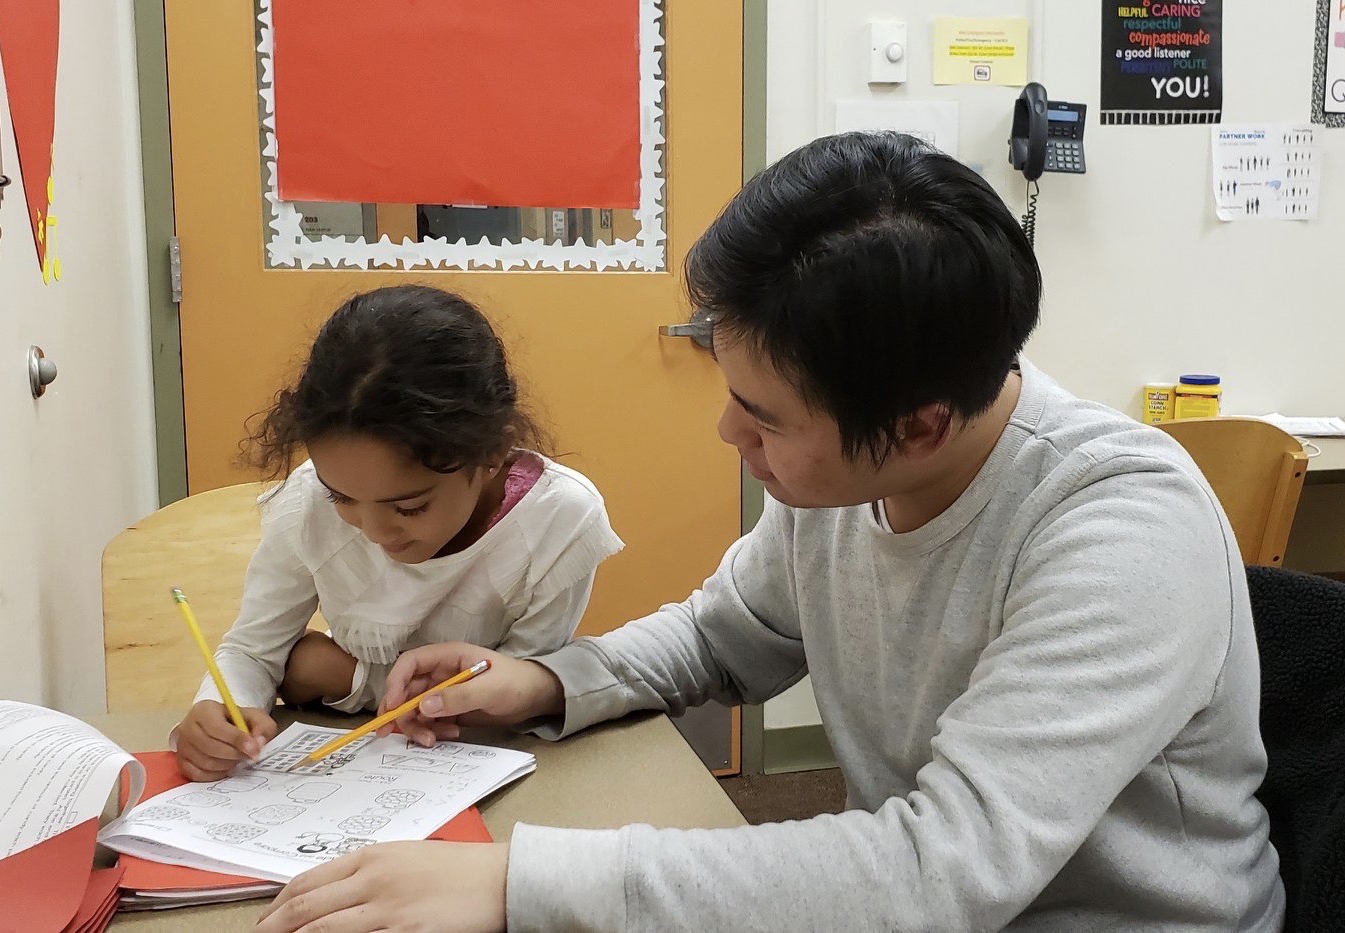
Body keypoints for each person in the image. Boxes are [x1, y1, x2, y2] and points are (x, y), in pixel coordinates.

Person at [255, 133, 1284, 931]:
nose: (728, 432)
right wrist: (542, 682)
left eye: (764, 416)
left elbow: (942, 869)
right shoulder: (842, 478)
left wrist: (516, 883)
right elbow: (719, 635)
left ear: (919, 425)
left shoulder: (1118, 528)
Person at [174, 284, 623, 782]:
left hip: (482, 766)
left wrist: (348, 678)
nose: (373, 531)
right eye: (340, 497)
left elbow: (512, 695)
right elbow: (253, 651)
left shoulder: (559, 521)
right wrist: (221, 709)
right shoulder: (306, 502)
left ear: (492, 454)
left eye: (409, 507)